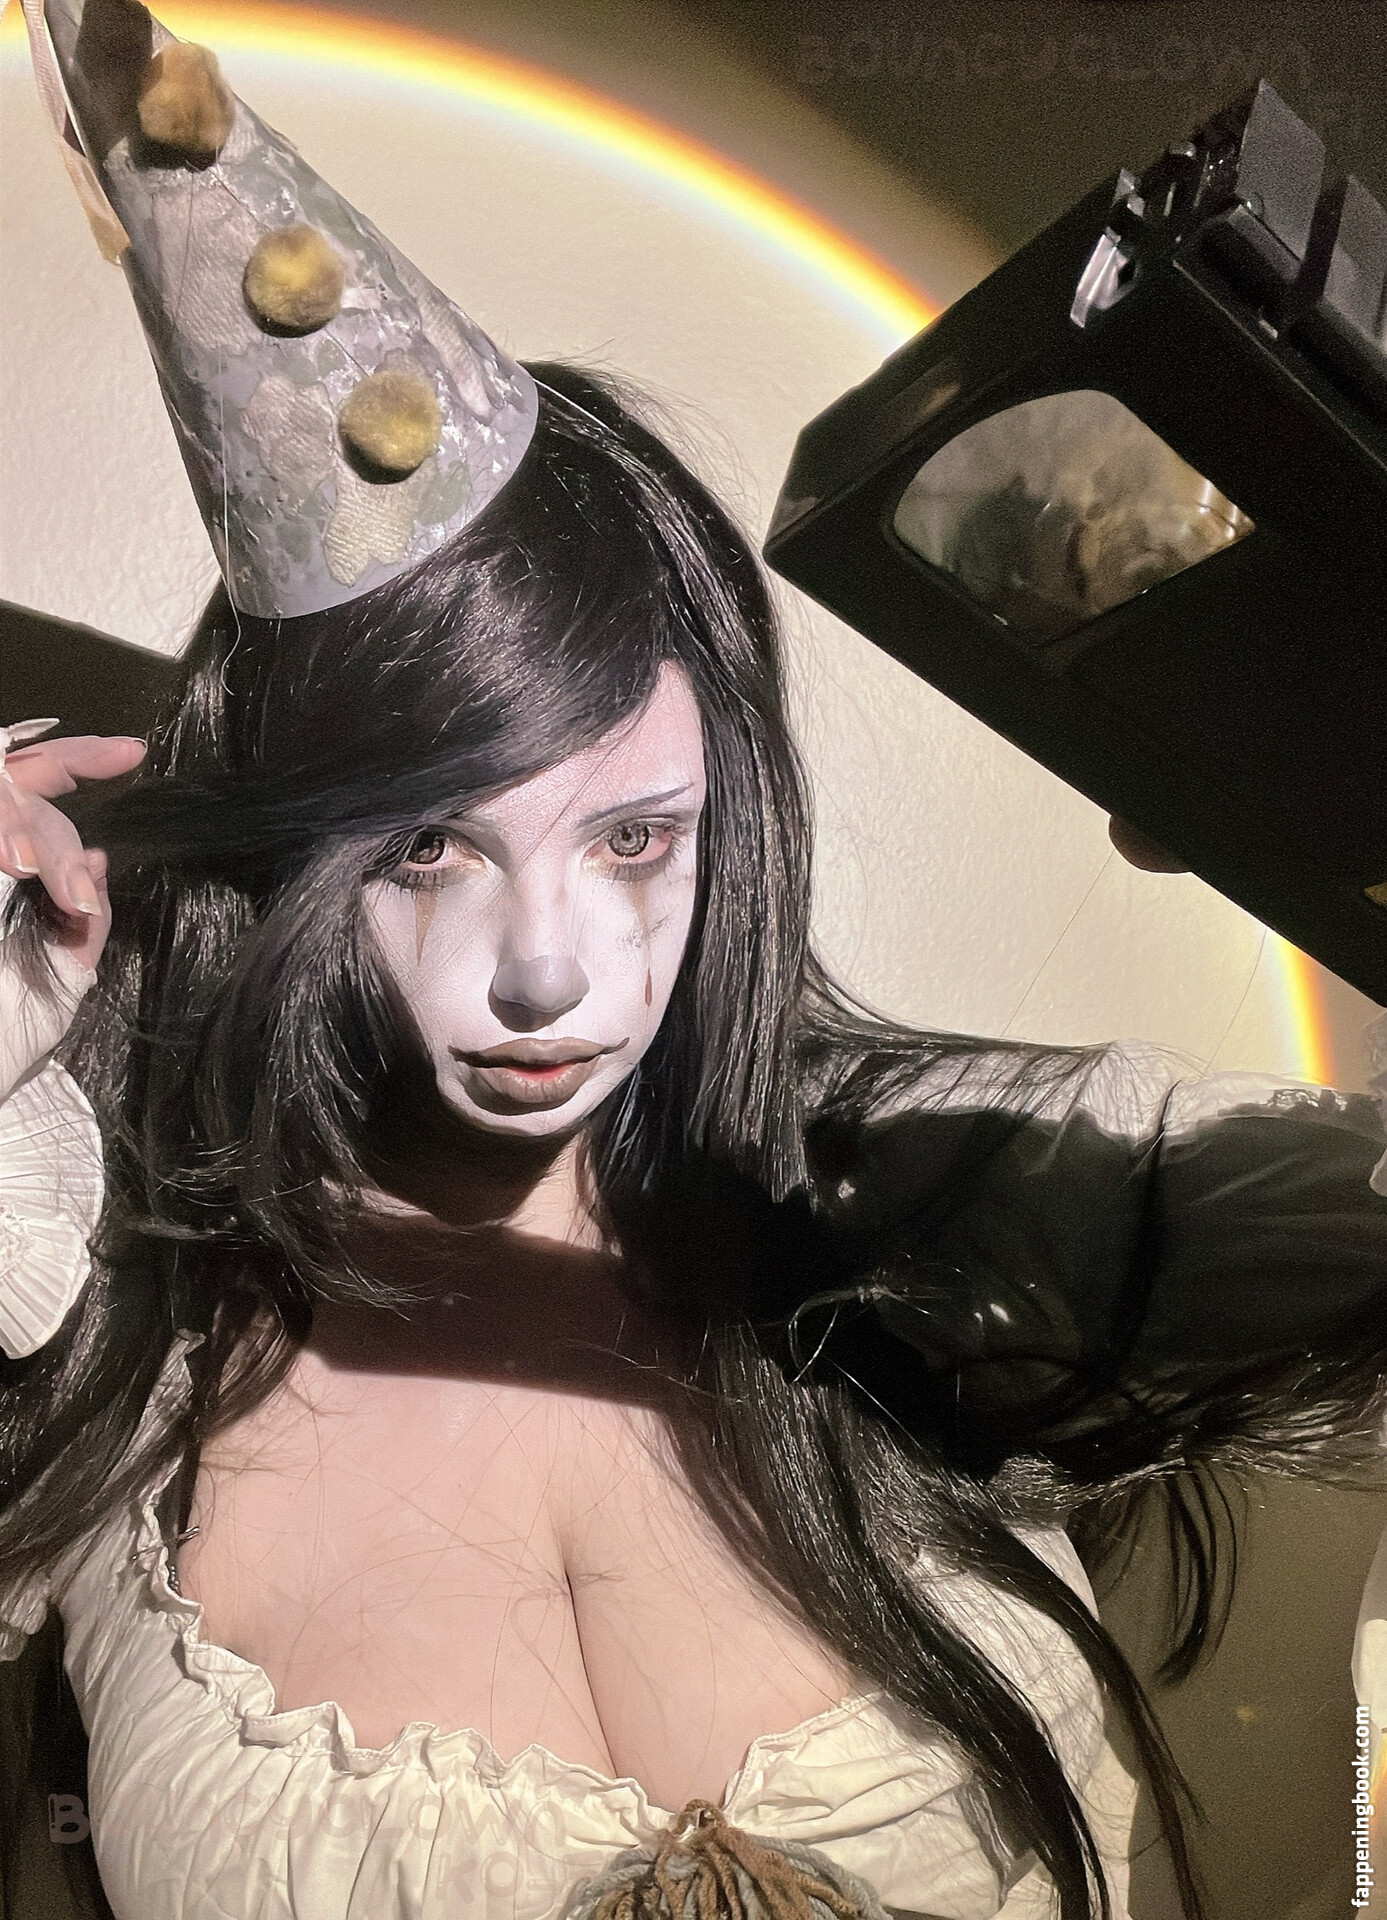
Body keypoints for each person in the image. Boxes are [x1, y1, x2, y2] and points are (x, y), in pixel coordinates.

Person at [3, 6, 1387, 1919]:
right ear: (286, 850)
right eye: (426, 844)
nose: (547, 976)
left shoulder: (934, 1194)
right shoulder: (104, 1312)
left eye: (634, 837)